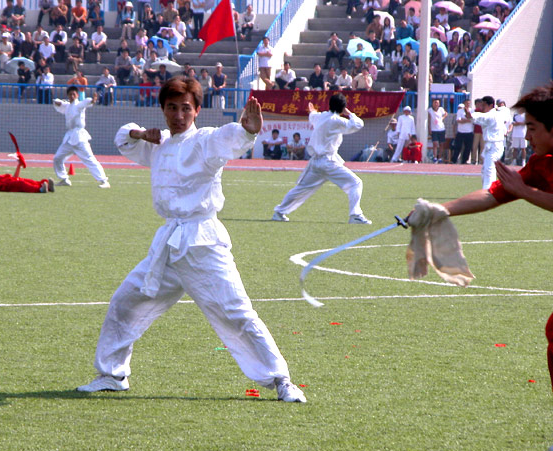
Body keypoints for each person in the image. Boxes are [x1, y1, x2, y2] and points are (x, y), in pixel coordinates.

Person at [76, 77, 306, 403]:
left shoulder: (205, 142)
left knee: (235, 312)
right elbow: (122, 140)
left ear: (197, 110)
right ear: (163, 110)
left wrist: (249, 131)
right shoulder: (159, 145)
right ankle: (113, 375)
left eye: (186, 108)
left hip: (203, 243)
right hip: (168, 246)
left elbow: (228, 138)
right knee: (125, 302)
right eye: (172, 107)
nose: (179, 115)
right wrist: (141, 133)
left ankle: (281, 380)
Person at [428, 84, 553, 451]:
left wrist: (525, 192)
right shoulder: (541, 163)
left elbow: (519, 191)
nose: (525, 134)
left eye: (531, 127)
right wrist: (439, 210)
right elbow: (494, 194)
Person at [272, 94, 371, 224]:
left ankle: (279, 212)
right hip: (328, 162)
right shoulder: (337, 121)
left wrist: (312, 110)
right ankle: (355, 215)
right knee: (355, 183)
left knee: (301, 188)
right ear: (342, 108)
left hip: (316, 162)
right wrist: (348, 112)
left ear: (329, 105)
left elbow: (312, 115)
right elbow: (358, 124)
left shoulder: (321, 116)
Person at [52, 86, 110, 188]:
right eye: (70, 94)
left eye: (74, 94)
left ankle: (104, 181)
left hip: (79, 137)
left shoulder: (79, 105)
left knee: (89, 158)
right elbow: (58, 102)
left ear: (77, 95)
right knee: (57, 157)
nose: (72, 96)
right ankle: (64, 178)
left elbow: (87, 102)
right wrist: (57, 102)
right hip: (69, 137)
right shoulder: (67, 106)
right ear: (68, 96)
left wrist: (93, 100)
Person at [465, 95, 508, 189]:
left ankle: (488, 191)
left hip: (494, 145)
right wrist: (471, 117)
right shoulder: (496, 113)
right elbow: (481, 119)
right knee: (485, 169)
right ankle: (488, 189)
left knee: (489, 169)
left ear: (491, 105)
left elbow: (483, 117)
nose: (482, 107)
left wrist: (471, 115)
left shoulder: (492, 115)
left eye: (484, 105)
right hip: (492, 145)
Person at [428, 98, 448, 163]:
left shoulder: (441, 109)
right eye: (435, 102)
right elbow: (429, 120)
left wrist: (442, 118)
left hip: (441, 129)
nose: (436, 104)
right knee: (435, 144)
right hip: (434, 129)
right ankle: (435, 157)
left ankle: (440, 157)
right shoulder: (430, 110)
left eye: (437, 103)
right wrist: (429, 128)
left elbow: (446, 114)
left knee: (441, 144)